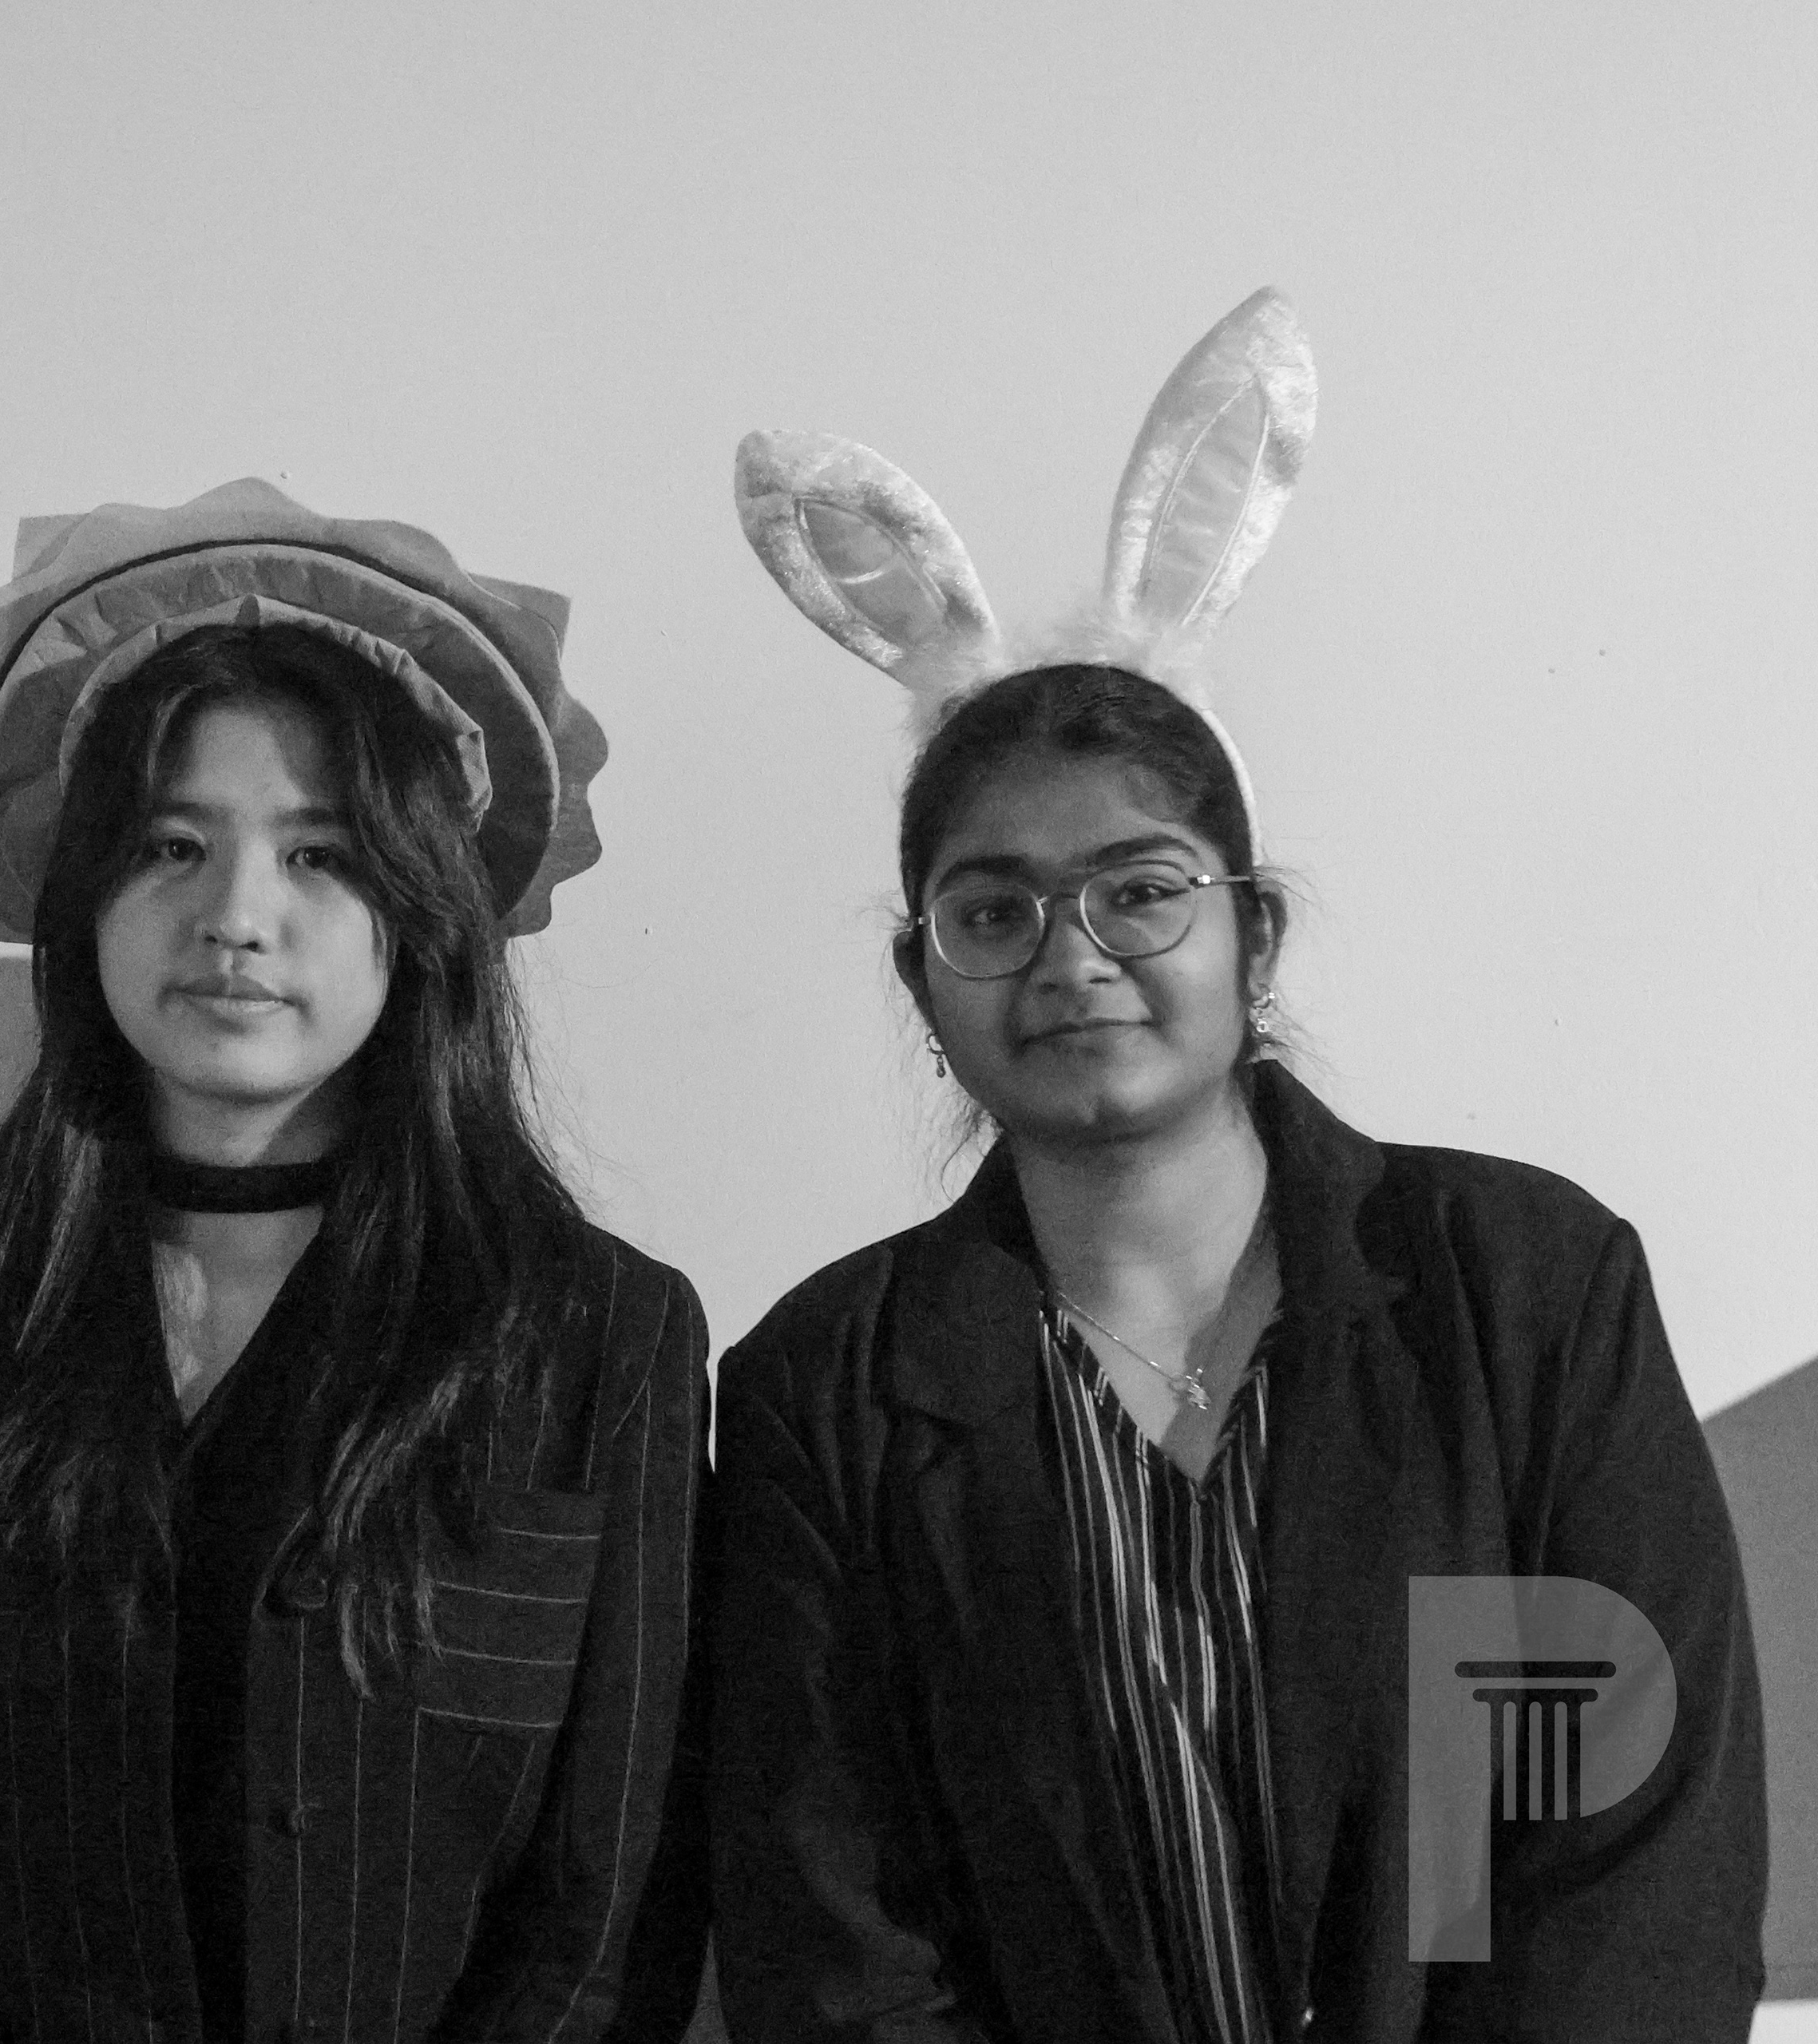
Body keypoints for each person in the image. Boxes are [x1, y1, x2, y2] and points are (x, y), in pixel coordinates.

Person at [711, 293, 1765, 2042]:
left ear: (1253, 933)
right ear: (923, 977)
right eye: (994, 911)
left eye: (1141, 889)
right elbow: (840, 1937)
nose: (1073, 957)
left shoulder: (1520, 1292)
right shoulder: (826, 1394)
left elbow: (1625, 1868)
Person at [0, 481, 711, 2044]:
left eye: (322, 853)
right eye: (172, 845)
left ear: (425, 910)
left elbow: (614, 1897)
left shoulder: (599, 1335)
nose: (237, 917)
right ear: (83, 893)